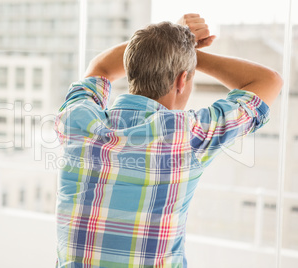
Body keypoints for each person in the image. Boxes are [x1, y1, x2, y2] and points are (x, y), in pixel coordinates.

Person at [54, 14, 283, 267]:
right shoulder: (186, 136)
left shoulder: (77, 120)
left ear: (132, 71)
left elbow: (101, 67)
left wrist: (170, 47)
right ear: (182, 80)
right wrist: (186, 52)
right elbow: (269, 81)